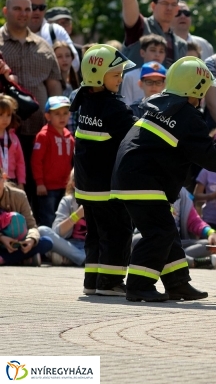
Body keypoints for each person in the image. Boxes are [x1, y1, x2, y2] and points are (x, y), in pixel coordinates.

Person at [112, 56, 216, 302]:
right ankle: (139, 285)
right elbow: (213, 160)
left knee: (167, 231)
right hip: (145, 180)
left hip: (131, 177)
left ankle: (178, 284)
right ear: (196, 88)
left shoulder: (159, 104)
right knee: (160, 232)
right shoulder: (188, 116)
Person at [71, 44, 138, 296]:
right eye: (116, 75)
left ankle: (92, 281)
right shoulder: (113, 107)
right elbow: (133, 133)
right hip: (107, 187)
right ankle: (110, 282)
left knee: (95, 234)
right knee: (117, 231)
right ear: (98, 76)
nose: (120, 79)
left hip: (86, 185)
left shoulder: (84, 100)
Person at [1, 0, 64, 207]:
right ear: (5, 11)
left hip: (40, 132)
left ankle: (35, 226)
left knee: (40, 190)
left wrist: (58, 123)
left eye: (27, 9)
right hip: (5, 132)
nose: (24, 13)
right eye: (17, 8)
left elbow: (54, 86)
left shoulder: (44, 47)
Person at [132, 187, 216, 269]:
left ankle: (167, 261)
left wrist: (210, 232)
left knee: (208, 245)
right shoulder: (150, 189)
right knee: (136, 240)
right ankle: (191, 262)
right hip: (154, 240)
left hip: (177, 243)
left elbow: (194, 221)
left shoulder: (183, 194)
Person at [31, 96, 74, 228]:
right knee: (48, 218)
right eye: (57, 114)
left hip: (65, 186)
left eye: (65, 113)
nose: (62, 117)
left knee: (63, 218)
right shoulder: (43, 136)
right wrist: (39, 183)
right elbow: (36, 161)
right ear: (48, 116)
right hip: (48, 187)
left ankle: (61, 241)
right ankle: (48, 241)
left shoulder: (69, 136)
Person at [0, 171, 53, 266]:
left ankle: (6, 258)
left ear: (3, 178)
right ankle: (21, 258)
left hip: (18, 242)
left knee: (47, 242)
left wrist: (31, 239)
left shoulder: (19, 196)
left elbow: (31, 225)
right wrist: (1, 238)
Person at [23, 0, 80, 70]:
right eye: (33, 7)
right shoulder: (8, 33)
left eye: (41, 7)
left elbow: (75, 63)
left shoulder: (56, 31)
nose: (37, 12)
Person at [38, 170, 87, 267]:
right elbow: (57, 232)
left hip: (92, 247)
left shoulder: (102, 201)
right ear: (74, 184)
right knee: (42, 230)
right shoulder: (68, 201)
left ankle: (70, 258)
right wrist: (76, 215)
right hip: (71, 245)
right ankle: (83, 259)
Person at [119, 34, 168, 105]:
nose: (157, 54)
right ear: (142, 53)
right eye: (153, 50)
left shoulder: (170, 75)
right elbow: (126, 103)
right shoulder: (130, 76)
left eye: (161, 51)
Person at [0, 95, 25, 188]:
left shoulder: (13, 138)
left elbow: (20, 161)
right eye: (1, 115)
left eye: (8, 115)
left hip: (12, 181)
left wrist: (21, 182)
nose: (5, 119)